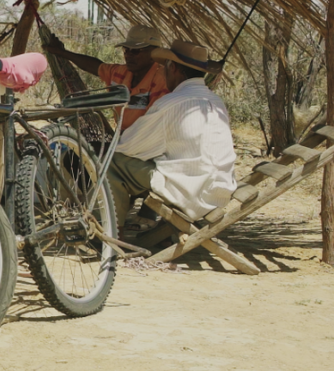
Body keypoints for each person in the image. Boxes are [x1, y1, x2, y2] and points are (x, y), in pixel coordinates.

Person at [105, 40, 236, 228]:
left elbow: (128, 146)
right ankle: (153, 225)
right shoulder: (216, 101)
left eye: (164, 68)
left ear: (173, 68)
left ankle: (111, 231)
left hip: (191, 192)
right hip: (220, 191)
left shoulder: (171, 103)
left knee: (111, 162)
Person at [42, 23, 168, 131]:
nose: (128, 55)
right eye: (126, 50)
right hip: (122, 140)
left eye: (135, 51)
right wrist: (62, 52)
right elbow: (94, 66)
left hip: (144, 142)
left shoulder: (162, 80)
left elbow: (153, 124)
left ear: (154, 53)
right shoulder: (121, 73)